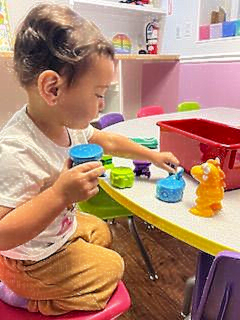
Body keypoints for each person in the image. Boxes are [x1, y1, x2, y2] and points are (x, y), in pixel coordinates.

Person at [0, 3, 179, 316]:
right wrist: (60, 195)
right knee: (113, 267)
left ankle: (53, 273)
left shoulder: (68, 124)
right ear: (52, 88)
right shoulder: (18, 150)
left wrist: (153, 155)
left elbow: (109, 140)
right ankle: (24, 296)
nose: (101, 105)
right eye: (98, 94)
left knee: (102, 231)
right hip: (27, 261)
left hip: (54, 235)